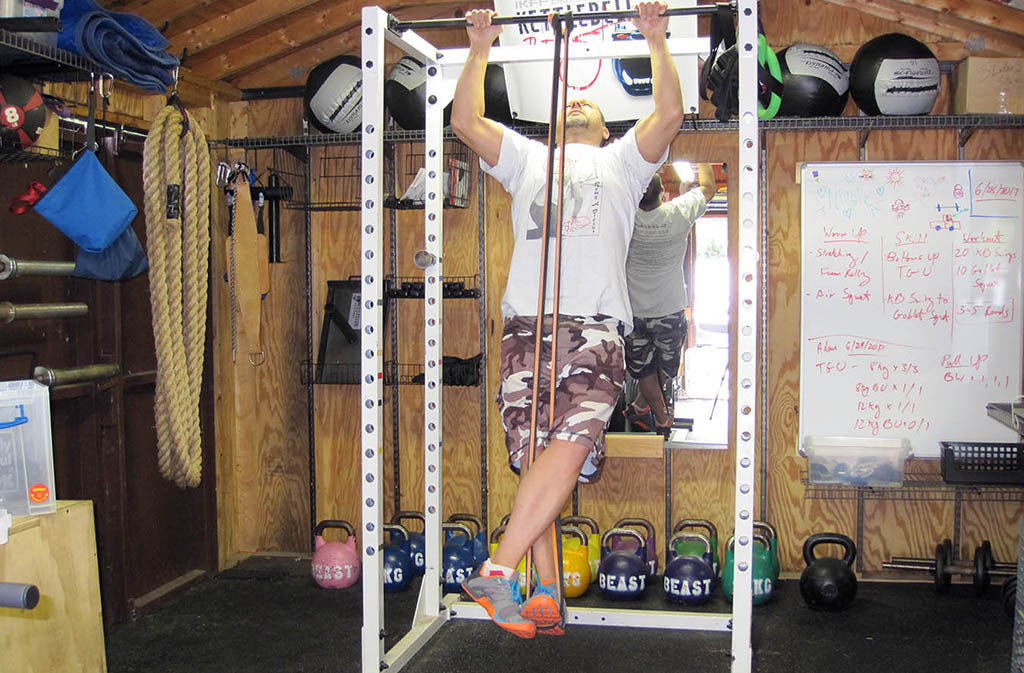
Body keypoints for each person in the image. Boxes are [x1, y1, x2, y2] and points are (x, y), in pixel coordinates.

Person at [450, 2, 683, 639]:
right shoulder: (526, 158)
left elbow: (669, 115)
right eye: (568, 104)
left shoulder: (623, 164)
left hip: (596, 328)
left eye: (589, 106)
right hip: (526, 325)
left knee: (573, 439)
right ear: (549, 121)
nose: (577, 106)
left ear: (607, 127)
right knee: (537, 461)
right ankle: (546, 590)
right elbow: (465, 119)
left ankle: (498, 571)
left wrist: (656, 39)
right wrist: (479, 45)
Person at [623, 163, 716, 437]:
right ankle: (662, 417)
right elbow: (709, 188)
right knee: (666, 366)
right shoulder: (678, 213)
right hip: (669, 309)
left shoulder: (624, 217)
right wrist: (705, 159)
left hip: (633, 311)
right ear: (663, 192)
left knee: (643, 370)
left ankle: (643, 404)